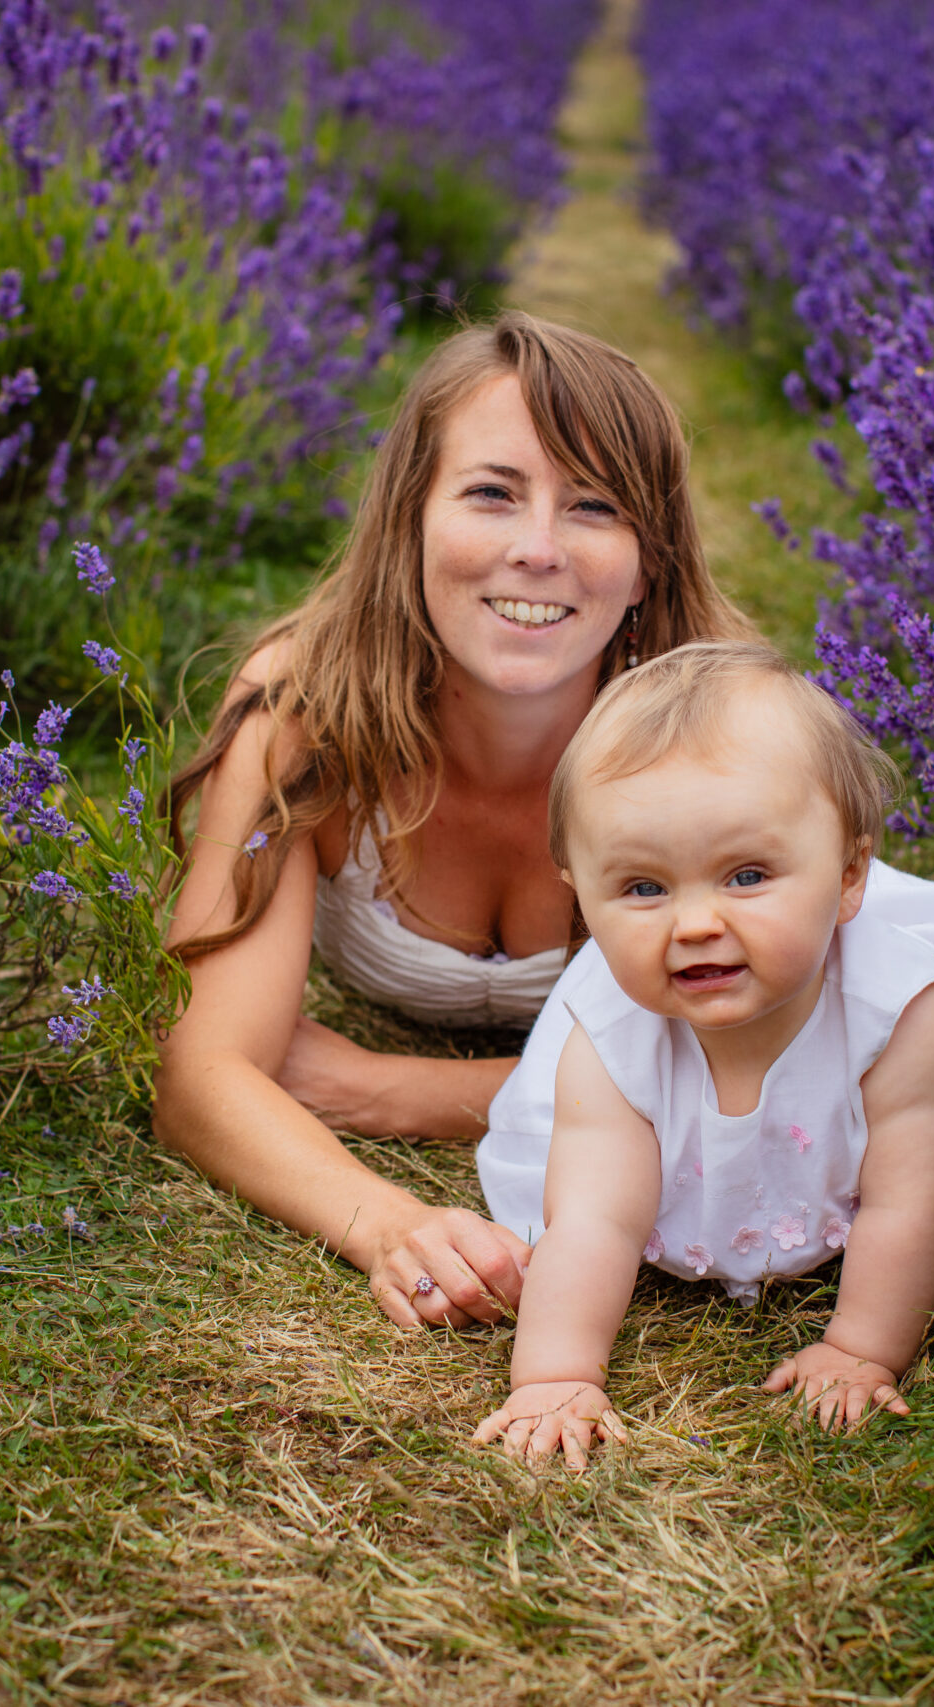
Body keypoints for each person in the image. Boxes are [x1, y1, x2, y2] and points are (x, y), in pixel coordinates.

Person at [155, 312, 758, 1330]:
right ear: (411, 520)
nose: (537, 551)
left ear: (646, 561)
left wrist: (384, 1090)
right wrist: (389, 1224)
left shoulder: (718, 741)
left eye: (594, 506)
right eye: (491, 493)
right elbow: (199, 1074)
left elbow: (755, 1072)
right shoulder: (303, 715)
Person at [469, 642, 934, 1468]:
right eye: (642, 888)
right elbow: (595, 1217)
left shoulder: (906, 1011)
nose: (694, 922)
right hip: (660, 1167)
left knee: (914, 1182)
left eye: (745, 875)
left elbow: (906, 1203)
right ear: (581, 894)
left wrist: (860, 1347)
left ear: (848, 877)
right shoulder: (610, 1029)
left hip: (877, 1151)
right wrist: (555, 1372)